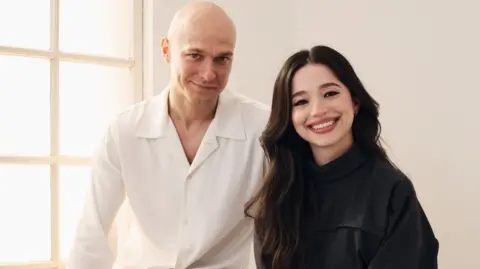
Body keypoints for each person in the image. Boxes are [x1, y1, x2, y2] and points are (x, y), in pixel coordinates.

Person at [66, 2, 269, 269]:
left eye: (222, 58)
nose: (209, 73)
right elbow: (91, 235)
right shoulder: (124, 131)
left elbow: (295, 219)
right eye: (195, 55)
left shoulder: (264, 128)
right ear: (166, 51)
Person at [245, 45, 439, 269]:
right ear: (289, 117)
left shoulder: (392, 192)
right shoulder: (277, 197)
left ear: (354, 102)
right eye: (301, 102)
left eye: (330, 93)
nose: (318, 110)